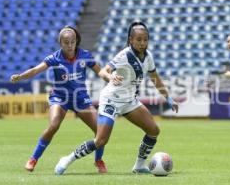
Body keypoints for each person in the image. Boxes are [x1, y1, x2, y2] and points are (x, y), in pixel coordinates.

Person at [54, 21, 179, 175]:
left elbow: (155, 78)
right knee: (100, 141)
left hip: (129, 101)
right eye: (138, 40)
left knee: (153, 130)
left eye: (145, 39)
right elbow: (104, 71)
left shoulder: (148, 57)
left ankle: (139, 166)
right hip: (111, 100)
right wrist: (110, 76)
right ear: (130, 40)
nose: (142, 43)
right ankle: (67, 159)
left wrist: (168, 98)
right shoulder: (124, 55)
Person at [10, 26, 108, 173]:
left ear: (76, 42)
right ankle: (33, 159)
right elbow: (36, 70)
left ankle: (98, 160)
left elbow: (100, 71)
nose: (70, 45)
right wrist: (21, 76)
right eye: (66, 42)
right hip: (60, 98)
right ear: (60, 43)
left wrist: (110, 77)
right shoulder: (55, 57)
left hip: (80, 99)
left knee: (100, 130)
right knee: (54, 125)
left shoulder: (85, 55)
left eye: (72, 42)